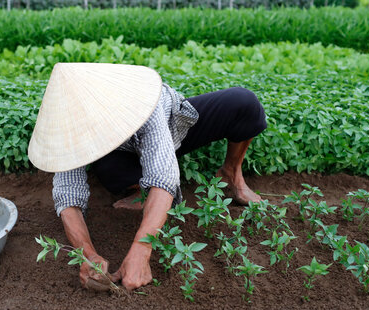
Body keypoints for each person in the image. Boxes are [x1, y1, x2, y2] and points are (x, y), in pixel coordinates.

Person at [28, 63, 266, 291]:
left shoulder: (139, 101)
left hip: (171, 128)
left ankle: (231, 174)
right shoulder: (68, 126)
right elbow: (67, 195)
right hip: (124, 154)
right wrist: (87, 254)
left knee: (244, 103)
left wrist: (141, 249)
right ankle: (141, 191)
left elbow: (164, 176)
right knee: (110, 170)